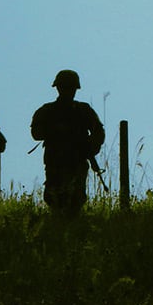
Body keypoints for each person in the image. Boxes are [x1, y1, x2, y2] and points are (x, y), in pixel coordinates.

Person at [30, 70, 106, 216]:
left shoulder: (83, 110)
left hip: (77, 161)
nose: (68, 91)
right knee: (54, 198)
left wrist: (90, 148)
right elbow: (36, 133)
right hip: (56, 161)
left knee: (76, 199)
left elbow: (98, 132)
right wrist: (56, 131)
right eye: (65, 87)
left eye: (70, 88)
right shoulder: (48, 111)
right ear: (58, 88)